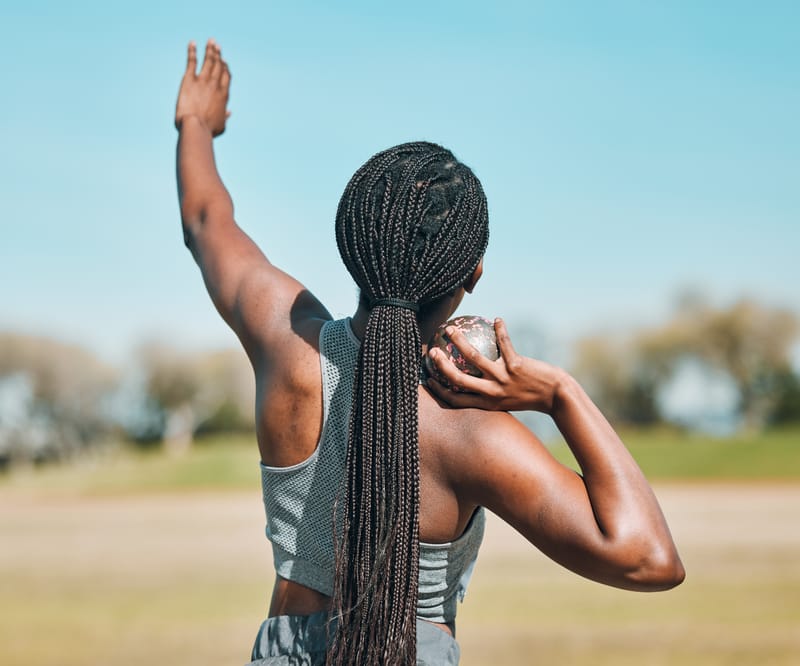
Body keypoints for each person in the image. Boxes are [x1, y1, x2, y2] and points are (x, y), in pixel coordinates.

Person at [174, 39, 685, 666]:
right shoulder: (472, 434)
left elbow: (206, 222)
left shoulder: (287, 344)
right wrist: (559, 395)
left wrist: (195, 122)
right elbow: (649, 558)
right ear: (471, 273)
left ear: (351, 245)